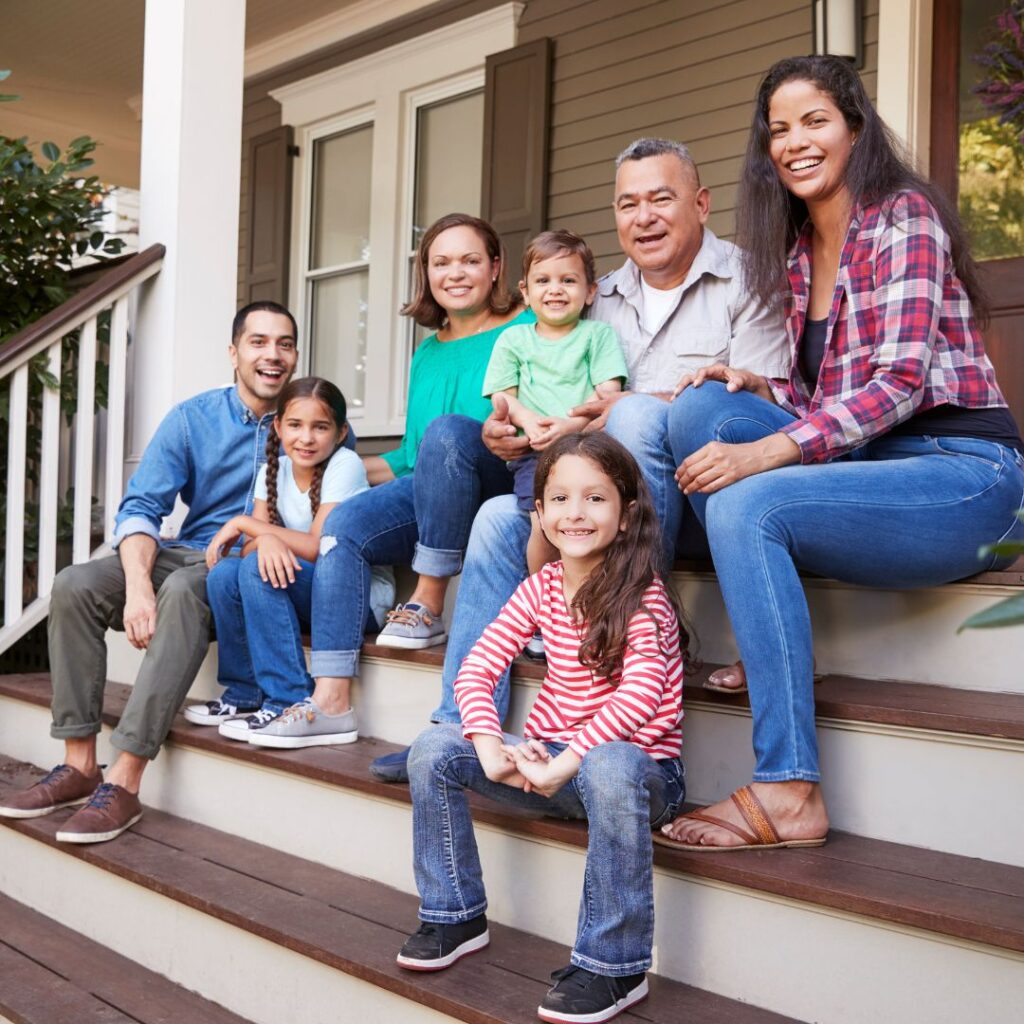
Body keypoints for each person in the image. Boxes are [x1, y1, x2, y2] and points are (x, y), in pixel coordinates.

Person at [657, 55, 1024, 851]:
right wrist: (754, 389)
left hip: (962, 474)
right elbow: (829, 409)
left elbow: (896, 385)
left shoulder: (904, 219)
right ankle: (771, 638)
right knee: (699, 414)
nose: (793, 142)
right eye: (777, 129)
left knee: (751, 497)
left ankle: (789, 788)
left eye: (814, 121)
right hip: (869, 466)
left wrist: (773, 450)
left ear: (856, 127)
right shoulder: (793, 254)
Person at [370, 136, 789, 782]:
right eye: (627, 203)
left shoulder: (749, 279)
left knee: (639, 414)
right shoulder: (595, 296)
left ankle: (633, 612)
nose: (642, 216)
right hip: (583, 507)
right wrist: (505, 432)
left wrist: (618, 413)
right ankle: (456, 727)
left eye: (661, 199)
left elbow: (757, 400)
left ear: (702, 204)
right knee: (493, 524)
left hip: (700, 500)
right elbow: (544, 383)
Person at [396, 433, 685, 1024]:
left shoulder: (644, 598)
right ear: (540, 512)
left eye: (595, 499)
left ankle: (614, 966)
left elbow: (638, 698)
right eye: (560, 498)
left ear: (627, 514)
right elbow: (477, 666)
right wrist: (488, 743)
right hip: (549, 766)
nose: (575, 513)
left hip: (634, 776)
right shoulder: (540, 588)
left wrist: (565, 761)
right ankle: (454, 915)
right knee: (433, 748)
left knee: (609, 763)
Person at [0, 302, 300, 842]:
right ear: (234, 353)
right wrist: (138, 587)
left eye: (283, 344)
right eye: (258, 342)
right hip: (183, 550)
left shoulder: (309, 421)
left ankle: (126, 778)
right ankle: (78, 762)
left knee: (186, 587)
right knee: (75, 583)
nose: (271, 355)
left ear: (295, 356)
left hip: (240, 569)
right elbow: (140, 508)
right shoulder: (193, 419)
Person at [253, 213, 530, 748]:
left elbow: (461, 438)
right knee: (348, 523)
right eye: (440, 262)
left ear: (496, 268)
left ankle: (427, 599)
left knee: (450, 434)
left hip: (503, 477)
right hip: (436, 485)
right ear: (424, 273)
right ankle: (331, 699)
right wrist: (315, 469)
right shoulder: (427, 351)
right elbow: (408, 456)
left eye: (471, 260)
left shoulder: (526, 327)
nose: (456, 273)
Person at [192, 377, 392, 745]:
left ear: (340, 431)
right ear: (279, 426)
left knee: (255, 569)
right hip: (307, 589)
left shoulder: (345, 465)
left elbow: (318, 545)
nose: (306, 438)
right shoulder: (273, 470)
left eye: (320, 427)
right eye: (296, 425)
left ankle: (288, 697)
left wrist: (248, 526)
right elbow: (251, 547)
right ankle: (244, 692)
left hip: (353, 600)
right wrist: (264, 537)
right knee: (226, 574)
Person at [483, 229, 627, 575]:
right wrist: (528, 420)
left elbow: (607, 392)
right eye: (543, 280)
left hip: (590, 449)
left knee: (595, 528)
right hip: (536, 453)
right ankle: (544, 605)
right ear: (526, 293)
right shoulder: (513, 339)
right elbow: (503, 395)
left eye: (568, 280)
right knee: (547, 526)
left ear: (590, 291)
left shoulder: (597, 335)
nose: (555, 289)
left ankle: (594, 599)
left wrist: (571, 426)